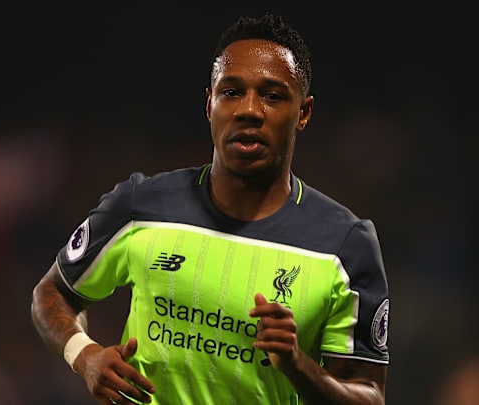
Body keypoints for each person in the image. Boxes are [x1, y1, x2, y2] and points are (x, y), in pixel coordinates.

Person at [31, 13, 389, 404]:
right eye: (231, 91)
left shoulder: (344, 245)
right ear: (209, 104)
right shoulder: (140, 205)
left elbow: (368, 395)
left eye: (272, 95)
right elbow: (52, 293)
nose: (249, 110)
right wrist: (85, 355)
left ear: (303, 112)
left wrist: (296, 364)